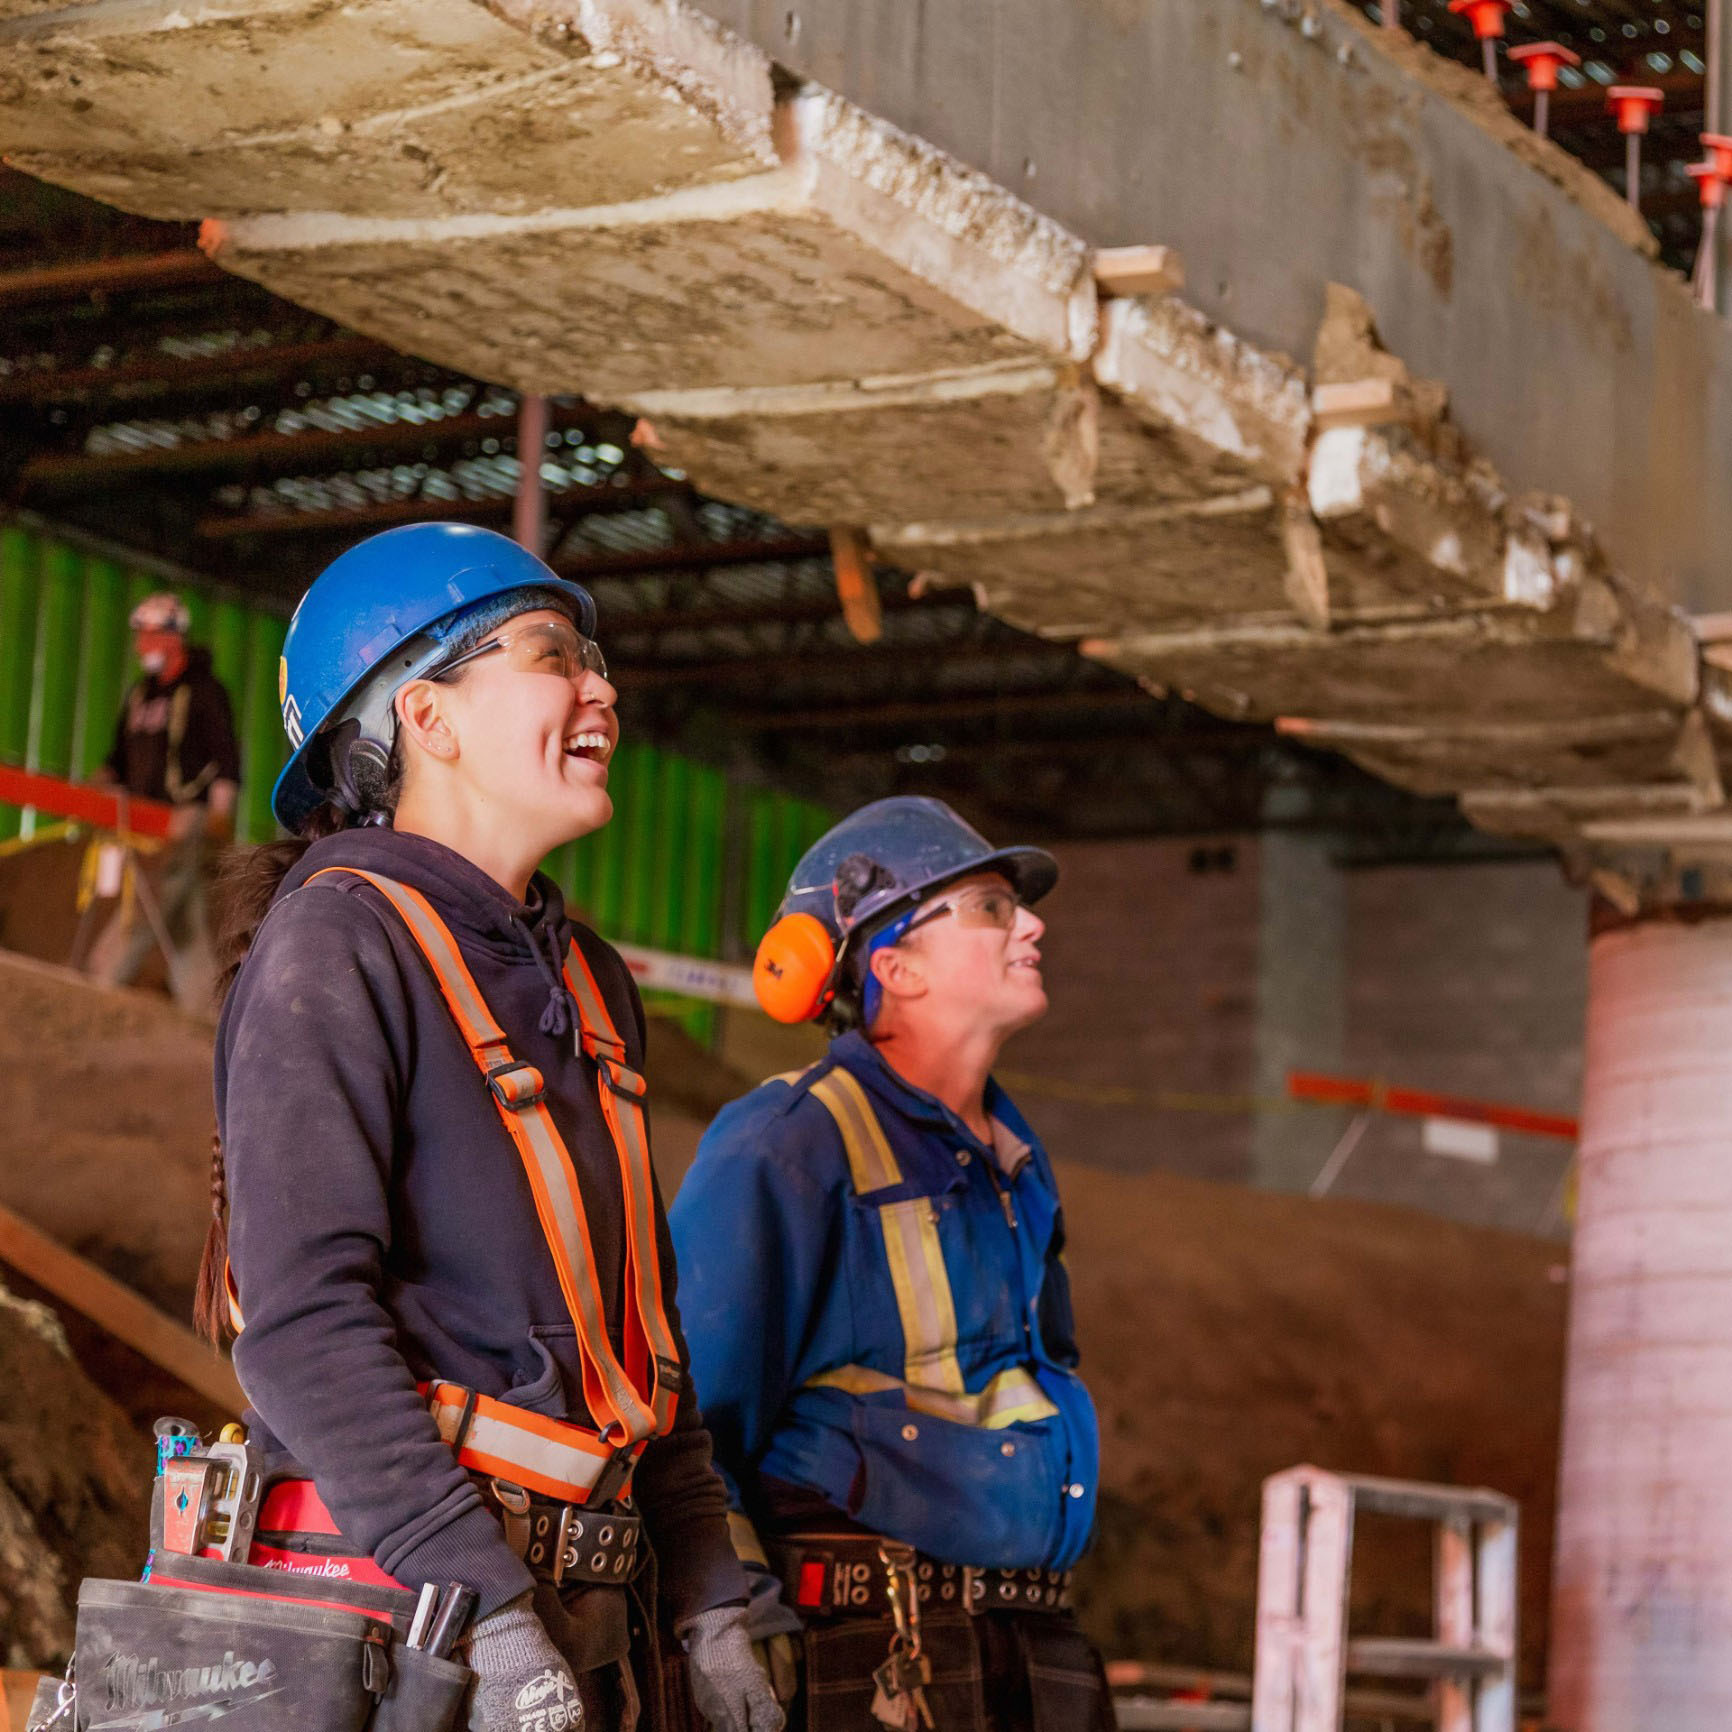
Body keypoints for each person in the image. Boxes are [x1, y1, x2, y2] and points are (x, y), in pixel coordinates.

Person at [199, 523, 782, 1732]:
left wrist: (707, 1596)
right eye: (553, 654)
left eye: (596, 659)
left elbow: (642, 1346)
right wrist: (487, 1611)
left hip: (586, 1617)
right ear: (428, 716)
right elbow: (301, 1325)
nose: (601, 689)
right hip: (412, 1623)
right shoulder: (339, 944)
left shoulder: (589, 982)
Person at [669, 798, 1108, 1732]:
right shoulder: (788, 1145)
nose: (1031, 924)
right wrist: (738, 1601)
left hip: (1019, 1639)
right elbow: (692, 1420)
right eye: (991, 907)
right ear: (895, 965)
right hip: (873, 1654)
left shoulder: (1012, 1160)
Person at [87, 591, 240, 1010]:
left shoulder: (206, 692)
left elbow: (226, 757)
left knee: (148, 904)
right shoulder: (141, 695)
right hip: (141, 824)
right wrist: (93, 791)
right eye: (141, 636)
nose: (143, 646)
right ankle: (205, 1008)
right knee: (182, 924)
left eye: (152, 635)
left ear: (175, 638)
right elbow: (118, 758)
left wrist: (220, 816)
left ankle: (99, 984)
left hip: (184, 820)